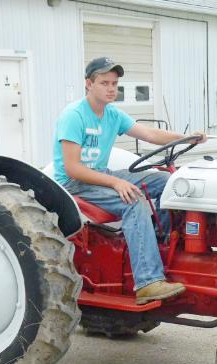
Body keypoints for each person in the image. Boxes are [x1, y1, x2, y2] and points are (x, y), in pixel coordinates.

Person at [53, 57, 206, 303]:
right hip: (75, 184)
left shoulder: (112, 114)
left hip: (100, 176)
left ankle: (158, 245)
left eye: (114, 83)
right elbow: (72, 168)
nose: (111, 88)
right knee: (133, 199)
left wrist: (185, 138)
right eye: (104, 83)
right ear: (88, 84)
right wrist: (115, 183)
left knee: (168, 182)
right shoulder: (74, 116)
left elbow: (149, 133)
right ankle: (147, 281)